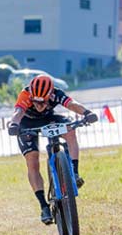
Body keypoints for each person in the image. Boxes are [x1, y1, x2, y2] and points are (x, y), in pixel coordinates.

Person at [6, 74, 97, 224]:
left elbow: (71, 104)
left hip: (49, 119)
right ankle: (44, 206)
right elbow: (18, 113)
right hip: (27, 124)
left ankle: (73, 173)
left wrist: (87, 113)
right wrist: (14, 124)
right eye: (36, 101)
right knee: (32, 160)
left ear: (50, 94)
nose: (39, 105)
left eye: (43, 102)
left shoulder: (56, 93)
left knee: (70, 130)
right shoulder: (26, 94)